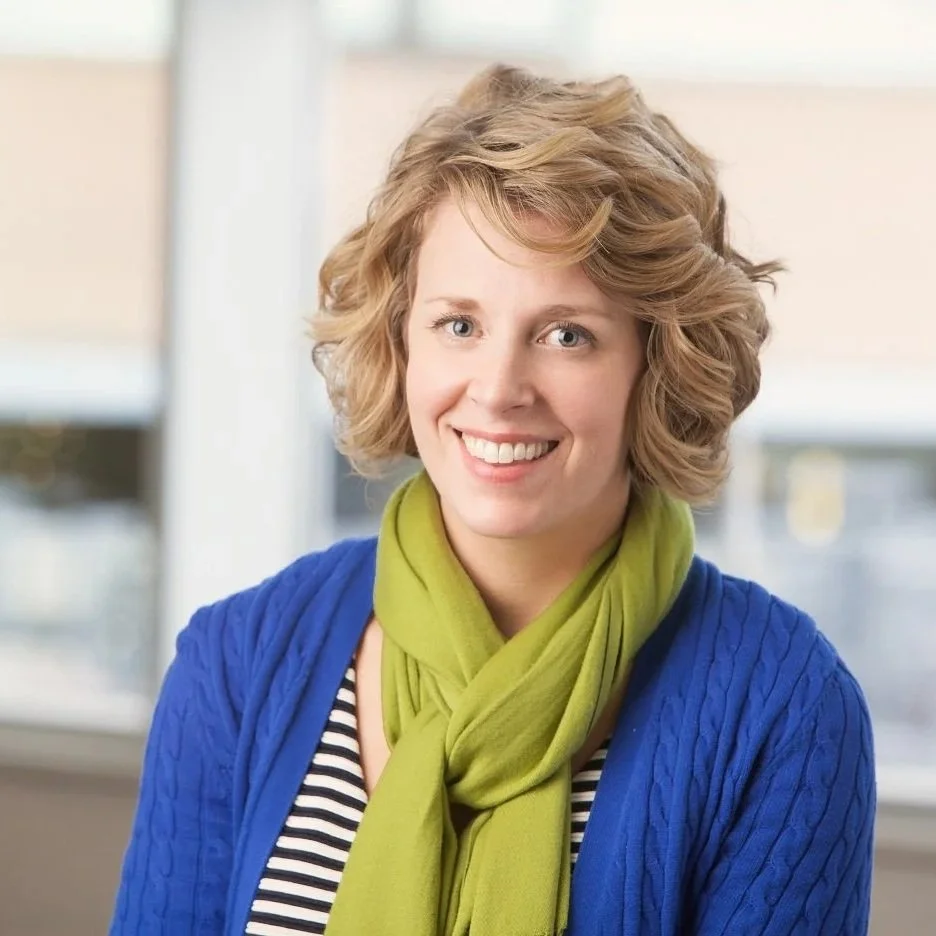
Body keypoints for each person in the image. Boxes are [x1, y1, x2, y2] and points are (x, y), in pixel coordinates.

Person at [110, 64, 875, 936]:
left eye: (566, 335)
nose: (499, 387)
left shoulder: (783, 707)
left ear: (655, 363)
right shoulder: (238, 665)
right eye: (459, 324)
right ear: (401, 341)